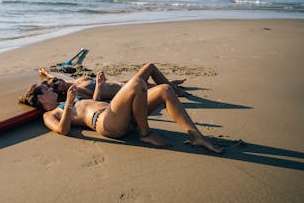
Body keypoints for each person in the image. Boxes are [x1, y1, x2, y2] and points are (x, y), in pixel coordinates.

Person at [20, 67, 222, 153]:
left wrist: (98, 85)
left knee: (165, 90)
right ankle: (145, 133)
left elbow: (94, 102)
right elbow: (62, 130)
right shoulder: (50, 114)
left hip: (121, 114)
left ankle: (196, 136)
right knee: (136, 83)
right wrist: (70, 104)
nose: (51, 88)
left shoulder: (71, 98)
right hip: (106, 123)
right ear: (40, 98)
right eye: (46, 88)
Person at [38, 63, 188, 101]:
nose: (58, 82)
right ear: (59, 91)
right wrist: (99, 85)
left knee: (155, 83)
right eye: (55, 85)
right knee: (150, 68)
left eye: (56, 81)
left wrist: (46, 73)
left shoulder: (74, 81)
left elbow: (57, 77)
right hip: (125, 90)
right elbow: (95, 100)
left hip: (120, 82)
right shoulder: (76, 91)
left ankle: (174, 86)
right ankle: (177, 90)